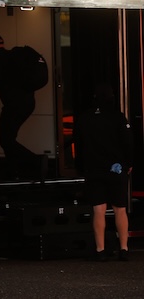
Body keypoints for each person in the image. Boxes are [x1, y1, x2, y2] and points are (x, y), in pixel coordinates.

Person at [76, 83, 133, 261]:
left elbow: (79, 144)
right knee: (120, 209)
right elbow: (127, 142)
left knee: (99, 210)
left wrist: (80, 166)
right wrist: (129, 163)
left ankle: (100, 249)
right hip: (115, 169)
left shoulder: (85, 118)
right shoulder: (118, 118)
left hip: (94, 169)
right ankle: (123, 248)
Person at [0, 33, 42, 178]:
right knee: (8, 138)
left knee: (6, 139)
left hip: (14, 105)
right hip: (27, 103)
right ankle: (15, 170)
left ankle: (36, 163)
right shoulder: (11, 57)